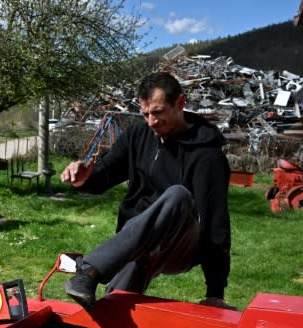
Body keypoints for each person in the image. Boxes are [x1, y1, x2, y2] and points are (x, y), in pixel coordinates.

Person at [60, 71, 233, 312]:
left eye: (158, 112)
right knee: (114, 306)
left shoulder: (207, 154)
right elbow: (104, 174)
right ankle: (105, 319)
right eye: (145, 114)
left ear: (180, 103)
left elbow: (216, 222)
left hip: (182, 244)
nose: (151, 121)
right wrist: (83, 179)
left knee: (178, 195)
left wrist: (215, 292)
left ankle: (89, 270)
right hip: (140, 241)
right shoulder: (137, 136)